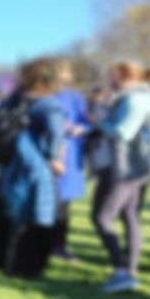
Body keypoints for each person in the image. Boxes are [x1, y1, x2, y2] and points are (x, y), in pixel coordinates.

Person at [90, 62, 150, 293]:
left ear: (125, 77)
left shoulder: (135, 99)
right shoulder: (149, 97)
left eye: (112, 77)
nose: (110, 82)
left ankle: (122, 271)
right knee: (129, 215)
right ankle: (129, 270)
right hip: (139, 166)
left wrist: (98, 122)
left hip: (127, 168)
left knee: (102, 217)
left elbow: (123, 132)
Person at [0, 58, 66, 279]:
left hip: (13, 165)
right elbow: (55, 132)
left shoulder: (14, 101)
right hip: (36, 167)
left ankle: (5, 261)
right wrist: (55, 157)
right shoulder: (48, 105)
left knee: (12, 215)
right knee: (36, 216)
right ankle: (27, 267)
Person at [50, 60, 90, 261]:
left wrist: (80, 128)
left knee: (63, 203)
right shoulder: (46, 95)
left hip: (70, 154)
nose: (63, 77)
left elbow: (86, 122)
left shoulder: (75, 97)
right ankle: (41, 244)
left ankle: (59, 245)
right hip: (51, 152)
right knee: (47, 200)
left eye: (65, 73)